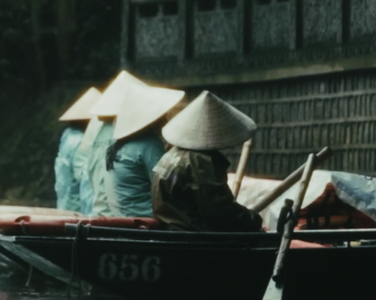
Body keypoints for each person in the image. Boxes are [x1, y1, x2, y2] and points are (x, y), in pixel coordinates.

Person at [151, 92, 266, 232]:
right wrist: (253, 219)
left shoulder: (170, 155)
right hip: (194, 237)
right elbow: (219, 211)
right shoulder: (201, 162)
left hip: (172, 231)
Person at [89, 71, 185, 218]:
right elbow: (168, 188)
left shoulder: (118, 143)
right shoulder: (148, 145)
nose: (166, 119)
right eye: (161, 115)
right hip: (146, 220)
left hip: (122, 217)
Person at [51, 85, 105, 214]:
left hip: (65, 204)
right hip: (77, 209)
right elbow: (86, 179)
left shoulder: (68, 136)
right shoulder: (83, 141)